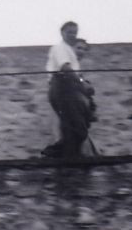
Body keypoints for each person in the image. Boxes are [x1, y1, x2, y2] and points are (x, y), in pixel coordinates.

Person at [42, 20, 98, 160]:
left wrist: (84, 85)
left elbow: (76, 76)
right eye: (69, 32)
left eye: (75, 32)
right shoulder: (60, 48)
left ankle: (63, 155)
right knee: (76, 128)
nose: (73, 35)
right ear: (62, 33)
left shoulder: (69, 52)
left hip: (69, 89)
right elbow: (65, 69)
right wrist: (82, 83)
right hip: (62, 87)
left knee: (74, 128)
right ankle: (56, 153)